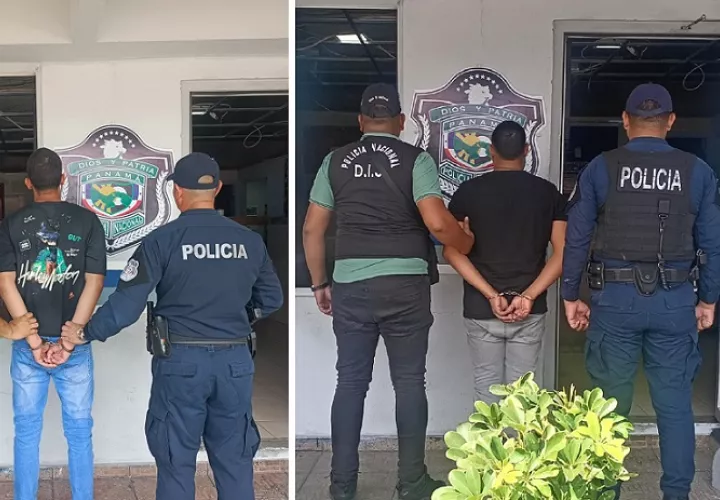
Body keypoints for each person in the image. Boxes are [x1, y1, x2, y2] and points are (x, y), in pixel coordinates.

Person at [60, 152, 284, 500]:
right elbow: (272, 298)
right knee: (235, 460)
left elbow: (126, 307)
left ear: (177, 191)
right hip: (235, 363)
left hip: (181, 364)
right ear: (217, 189)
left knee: (176, 460)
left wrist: (85, 332)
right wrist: (236, 316)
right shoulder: (249, 241)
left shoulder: (161, 240)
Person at [303, 82, 474, 500]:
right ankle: (412, 483)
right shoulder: (416, 160)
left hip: (350, 285)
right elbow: (438, 223)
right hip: (404, 286)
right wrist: (465, 241)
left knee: (350, 383)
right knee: (410, 383)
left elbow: (311, 229)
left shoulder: (334, 161)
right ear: (400, 121)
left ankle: (342, 486)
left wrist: (320, 282)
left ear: (361, 121)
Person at [562, 83, 720, 500]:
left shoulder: (601, 168)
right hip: (675, 301)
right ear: (670, 121)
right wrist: (708, 299)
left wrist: (570, 295)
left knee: (608, 407)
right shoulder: (698, 171)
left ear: (626, 120)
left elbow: (577, 238)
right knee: (674, 405)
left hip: (615, 302)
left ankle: (605, 491)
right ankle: (676, 494)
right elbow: (712, 242)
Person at [0, 148, 107, 500]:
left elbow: (5, 283)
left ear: (28, 183)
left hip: (26, 346)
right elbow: (94, 283)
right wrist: (69, 340)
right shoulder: (89, 222)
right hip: (73, 346)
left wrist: (33, 341)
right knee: (79, 432)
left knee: (26, 432)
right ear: (63, 180)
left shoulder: (10, 224)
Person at [444, 120, 567, 404]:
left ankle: (487, 438)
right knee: (522, 398)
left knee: (485, 392)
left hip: (481, 307)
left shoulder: (468, 193)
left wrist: (490, 294)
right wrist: (528, 296)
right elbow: (563, 254)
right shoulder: (548, 193)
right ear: (526, 150)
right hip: (529, 309)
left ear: (491, 151)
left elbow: (451, 252)